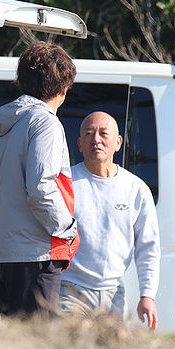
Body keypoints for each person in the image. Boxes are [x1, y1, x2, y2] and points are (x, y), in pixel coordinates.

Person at [0, 41, 79, 318]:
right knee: (40, 341)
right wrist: (67, 229)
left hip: (3, 252)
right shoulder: (46, 123)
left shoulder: (4, 125)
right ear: (63, 89)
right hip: (37, 255)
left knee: (17, 341)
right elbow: (41, 188)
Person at [60, 111, 160, 329]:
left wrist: (147, 295)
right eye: (89, 134)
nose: (96, 139)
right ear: (79, 144)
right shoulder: (65, 183)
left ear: (118, 143)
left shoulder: (136, 189)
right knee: (68, 347)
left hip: (114, 292)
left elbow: (148, 247)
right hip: (69, 289)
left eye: (103, 133)